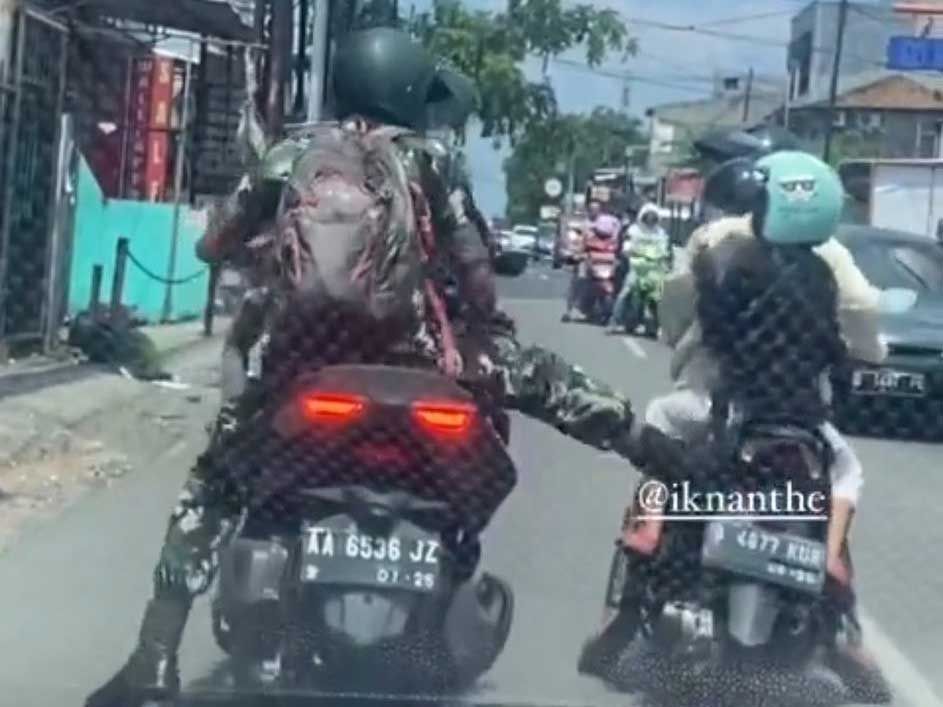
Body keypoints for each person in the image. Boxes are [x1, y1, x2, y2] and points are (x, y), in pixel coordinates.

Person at [85, 29, 639, 707]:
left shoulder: (294, 151)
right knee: (540, 388)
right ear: (408, 89)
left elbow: (214, 241)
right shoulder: (431, 159)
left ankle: (154, 657)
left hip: (302, 363)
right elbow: (475, 270)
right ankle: (660, 451)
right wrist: (478, 328)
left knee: (211, 490)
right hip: (415, 363)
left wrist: (259, 252)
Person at [581, 152, 890, 702]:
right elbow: (838, 344)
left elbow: (706, 327)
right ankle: (840, 602)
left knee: (660, 424)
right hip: (802, 424)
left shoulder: (723, 251)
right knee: (846, 475)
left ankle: (643, 543)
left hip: (730, 413)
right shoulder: (823, 271)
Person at [606, 202, 670, 333]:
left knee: (660, 296)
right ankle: (614, 321)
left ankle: (658, 326)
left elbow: (664, 251)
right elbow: (627, 248)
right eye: (648, 216)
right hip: (636, 268)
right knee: (625, 293)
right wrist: (632, 252)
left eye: (653, 217)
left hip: (653, 270)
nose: (651, 220)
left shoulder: (661, 233)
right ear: (643, 216)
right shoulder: (633, 230)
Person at [561, 200, 601, 321]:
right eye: (592, 209)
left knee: (596, 286)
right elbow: (572, 241)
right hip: (583, 258)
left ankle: (591, 310)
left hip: (599, 259)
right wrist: (574, 253)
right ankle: (568, 311)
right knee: (577, 283)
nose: (595, 212)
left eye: (597, 209)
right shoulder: (580, 225)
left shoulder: (603, 224)